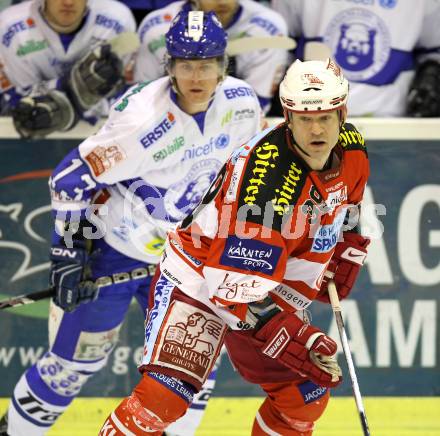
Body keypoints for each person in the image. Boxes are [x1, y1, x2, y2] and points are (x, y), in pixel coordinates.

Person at [0, 9, 263, 436]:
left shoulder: (242, 105)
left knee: (190, 369)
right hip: (114, 255)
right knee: (71, 367)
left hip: (185, 262)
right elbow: (70, 179)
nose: (196, 76)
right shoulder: (142, 120)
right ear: (170, 67)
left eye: (207, 65)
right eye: (185, 65)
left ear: (223, 66)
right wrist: (68, 251)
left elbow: (249, 171)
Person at [99, 57, 371, 435]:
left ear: (342, 114)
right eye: (304, 118)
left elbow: (350, 204)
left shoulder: (353, 146)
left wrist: (347, 242)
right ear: (287, 117)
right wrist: (298, 336)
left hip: (269, 280)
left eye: (325, 117)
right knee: (163, 399)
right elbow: (232, 294)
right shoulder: (268, 185)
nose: (316, 129)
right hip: (202, 280)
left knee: (304, 398)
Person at [272, 0, 440, 117]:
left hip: (392, 119)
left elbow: (432, 48)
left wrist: (432, 72)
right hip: (312, 114)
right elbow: (280, 43)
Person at [0, 0, 136, 138]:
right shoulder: (9, 28)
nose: (69, 2)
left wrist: (67, 101)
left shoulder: (119, 21)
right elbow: (23, 109)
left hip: (98, 137)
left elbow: (125, 97)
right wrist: (77, 88)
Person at [135, 0, 289, 114]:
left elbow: (256, 106)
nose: (222, 1)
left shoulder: (268, 27)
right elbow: (142, 100)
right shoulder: (156, 29)